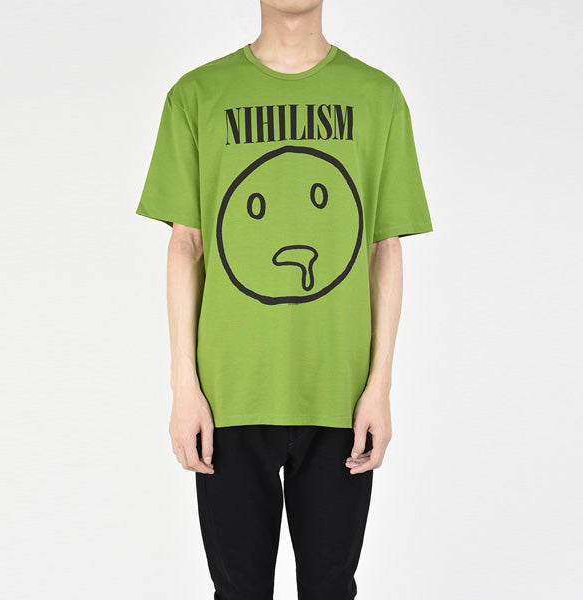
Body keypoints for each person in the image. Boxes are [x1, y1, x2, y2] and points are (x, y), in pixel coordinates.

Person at [135, 1, 433, 598]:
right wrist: (184, 387)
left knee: (331, 589)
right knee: (237, 592)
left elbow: (385, 247)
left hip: (341, 396)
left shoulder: (378, 98)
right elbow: (185, 245)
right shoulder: (197, 96)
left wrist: (380, 386)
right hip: (228, 396)